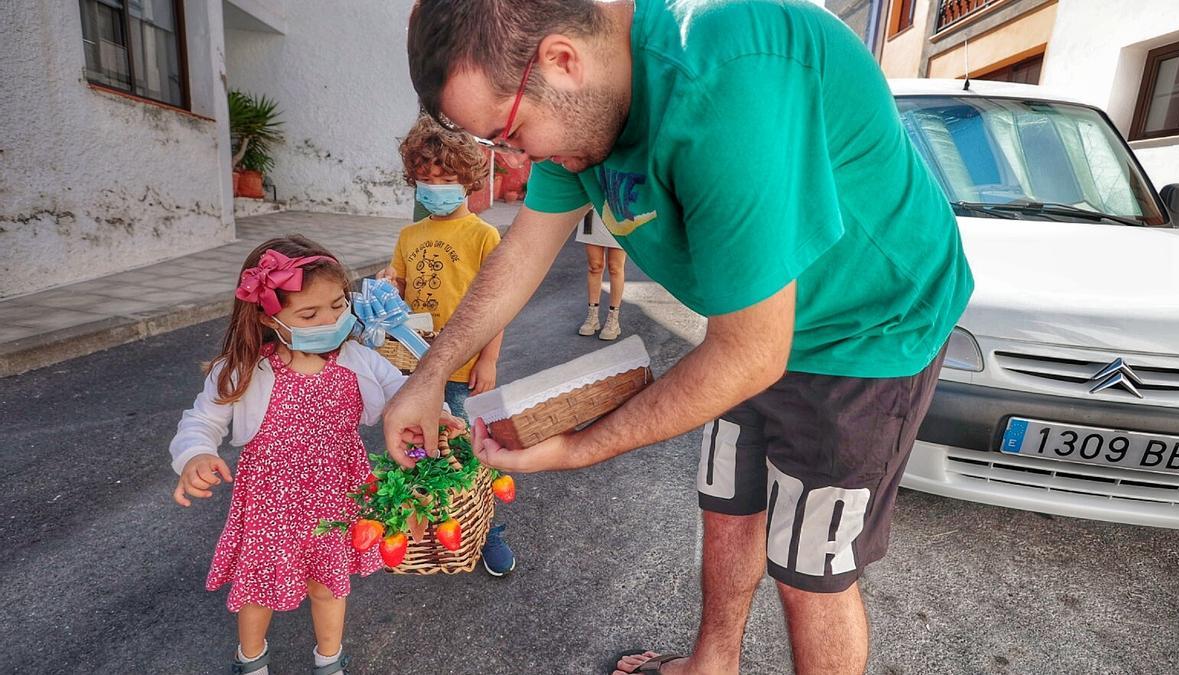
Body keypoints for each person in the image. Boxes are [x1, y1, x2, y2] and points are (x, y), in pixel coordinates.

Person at [392, 1, 975, 673]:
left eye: (510, 133)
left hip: (867, 330)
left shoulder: (724, 77)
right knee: (728, 504)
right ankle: (711, 664)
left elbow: (753, 353)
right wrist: (430, 374)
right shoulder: (583, 102)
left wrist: (579, 448)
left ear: (561, 59)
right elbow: (524, 250)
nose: (524, 157)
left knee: (809, 566)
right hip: (745, 323)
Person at [169, 235, 459, 675]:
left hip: (337, 493)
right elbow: (203, 419)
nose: (331, 320)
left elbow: (403, 391)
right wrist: (195, 454)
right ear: (269, 317)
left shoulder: (358, 357)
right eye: (310, 313)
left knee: (328, 583)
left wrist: (432, 410)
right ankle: (251, 660)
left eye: (338, 306)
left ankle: (329, 659)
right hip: (272, 500)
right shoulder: (245, 367)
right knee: (259, 586)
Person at [377, 114, 515, 576]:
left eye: (446, 178)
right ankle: (440, 531)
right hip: (416, 368)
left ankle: (489, 533)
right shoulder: (409, 235)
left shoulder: (482, 235)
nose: (435, 186)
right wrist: (387, 287)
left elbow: (497, 303)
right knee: (424, 452)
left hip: (465, 369)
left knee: (472, 455)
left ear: (468, 180)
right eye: (426, 178)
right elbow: (400, 292)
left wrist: (490, 359)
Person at [576, 209, 627, 340]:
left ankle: (613, 320)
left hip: (619, 210)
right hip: (591, 210)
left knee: (615, 267)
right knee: (594, 266)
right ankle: (592, 317)